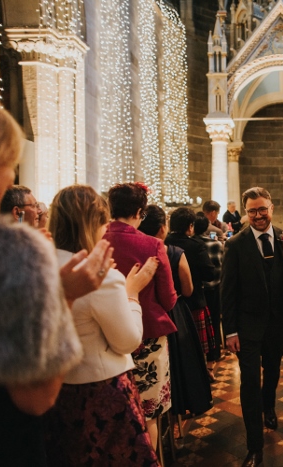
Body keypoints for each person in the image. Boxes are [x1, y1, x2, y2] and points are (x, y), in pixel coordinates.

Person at [0, 88, 111, 465]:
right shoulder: (13, 251)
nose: (11, 178)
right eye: (10, 164)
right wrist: (65, 296)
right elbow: (36, 398)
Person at [45, 185, 160, 466]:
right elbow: (127, 341)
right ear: (94, 223)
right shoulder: (101, 276)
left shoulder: (38, 265)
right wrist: (131, 294)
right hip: (100, 391)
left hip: (54, 391)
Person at [220, 187, 283, 467]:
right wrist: (229, 331)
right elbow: (227, 291)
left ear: (271, 208)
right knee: (249, 383)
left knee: (274, 371)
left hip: (278, 324)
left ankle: (268, 407)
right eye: (252, 211)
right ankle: (255, 447)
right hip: (247, 327)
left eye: (262, 209)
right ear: (245, 212)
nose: (258, 215)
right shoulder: (235, 244)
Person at [103, 182, 178, 452]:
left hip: (106, 335)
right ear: (139, 211)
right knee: (148, 413)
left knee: (118, 412)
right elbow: (169, 299)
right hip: (148, 335)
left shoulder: (95, 241)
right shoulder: (152, 245)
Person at [139, 205, 213, 420]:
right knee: (182, 361)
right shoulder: (173, 252)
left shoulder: (139, 250)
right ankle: (183, 403)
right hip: (174, 311)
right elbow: (187, 289)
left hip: (144, 316)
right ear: (162, 228)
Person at [167, 207, 218, 378]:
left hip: (169, 301)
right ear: (190, 226)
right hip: (193, 300)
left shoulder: (164, 243)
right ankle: (199, 375)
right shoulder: (195, 245)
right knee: (197, 344)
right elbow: (209, 273)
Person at [193, 215, 224, 373]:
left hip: (197, 290)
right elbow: (219, 267)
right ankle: (215, 354)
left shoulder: (191, 244)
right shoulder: (215, 243)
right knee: (214, 321)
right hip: (214, 289)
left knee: (199, 326)